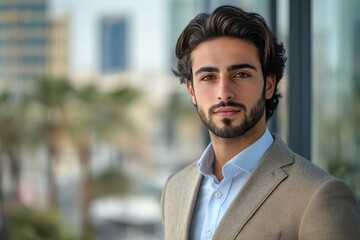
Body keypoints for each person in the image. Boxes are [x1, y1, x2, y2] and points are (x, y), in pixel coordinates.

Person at [161, 5, 360, 240]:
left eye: (241, 74)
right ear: (191, 90)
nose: (224, 93)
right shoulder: (175, 189)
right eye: (208, 78)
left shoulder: (319, 196)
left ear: (269, 85)